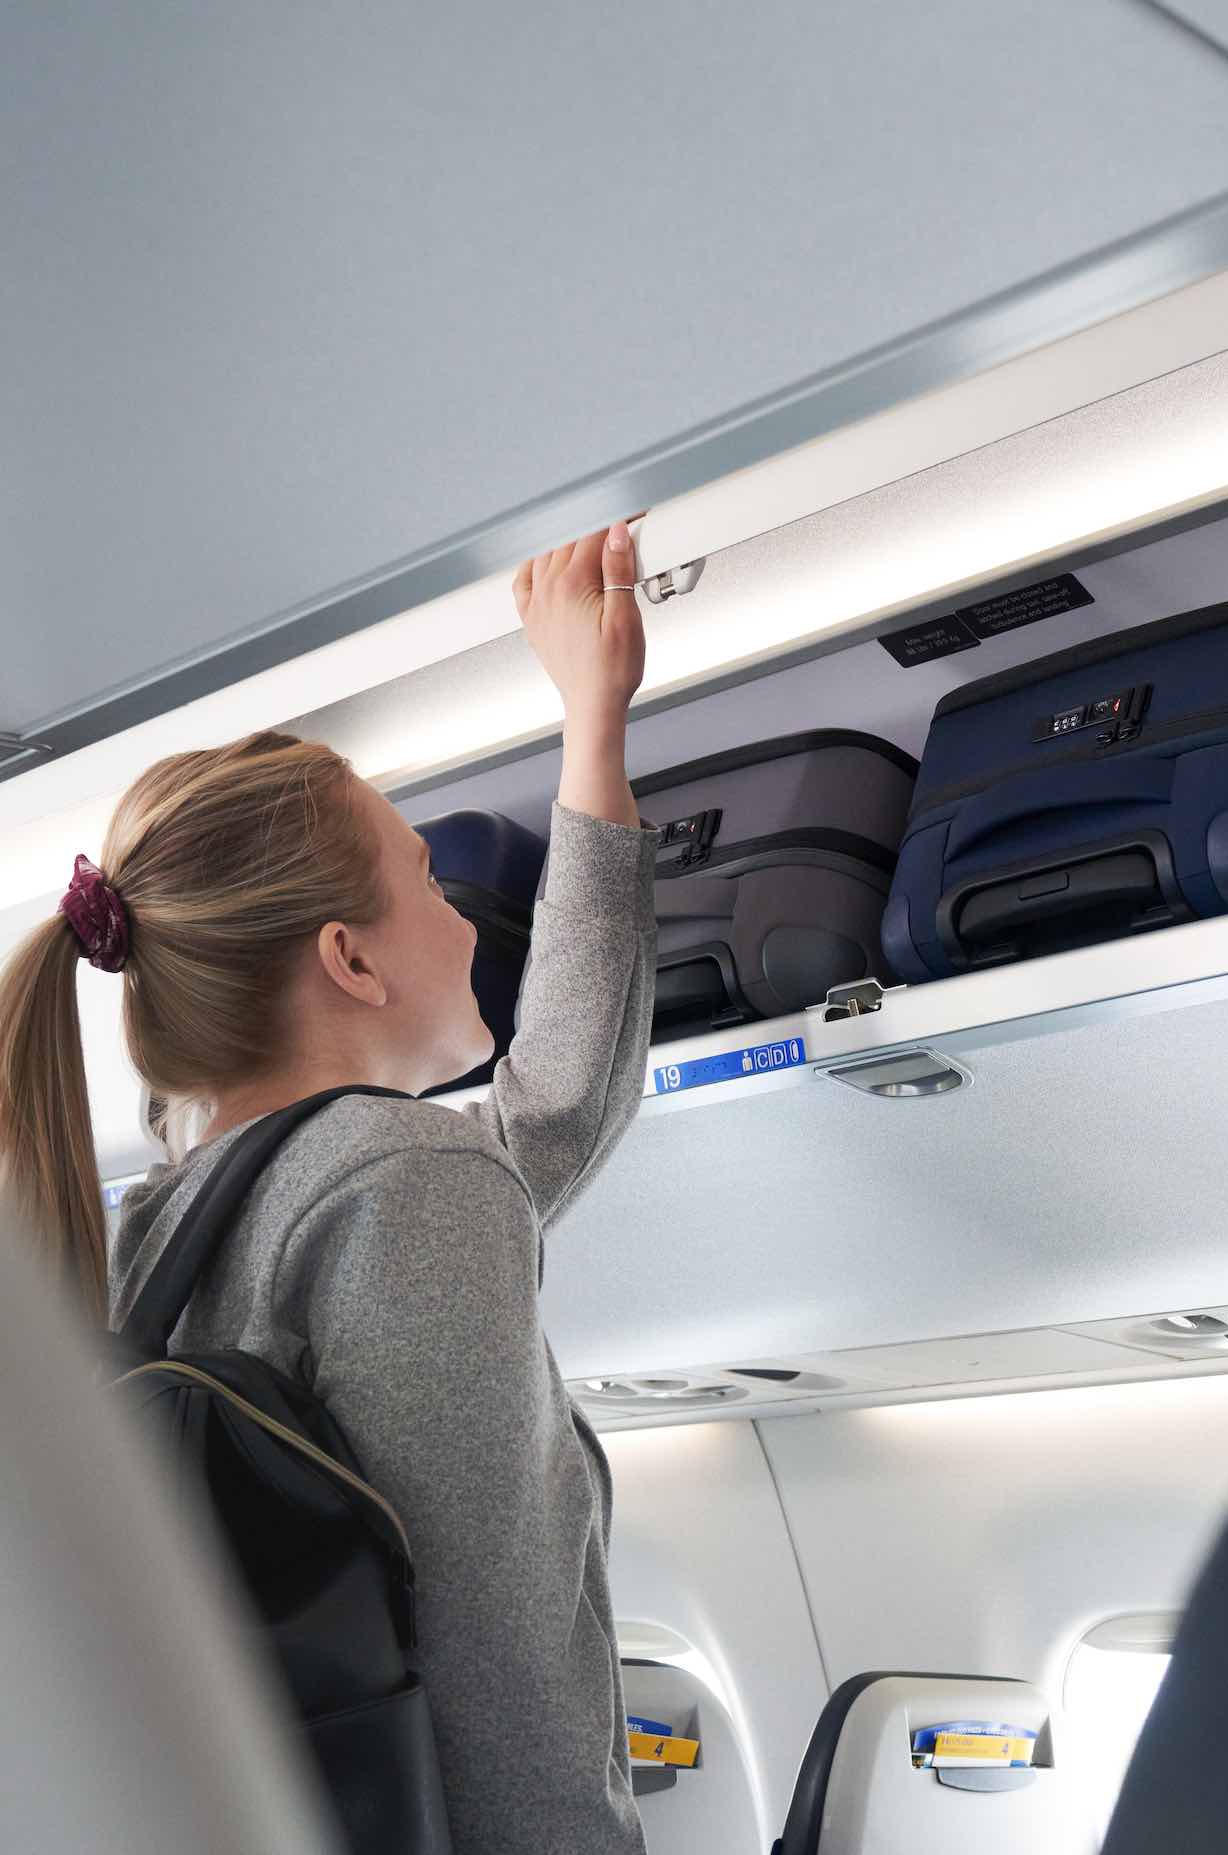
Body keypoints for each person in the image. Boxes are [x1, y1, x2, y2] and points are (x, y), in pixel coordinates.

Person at [0, 521, 658, 1852]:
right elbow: (510, 1678)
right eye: (426, 874)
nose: (467, 918)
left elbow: (551, 1114)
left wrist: (595, 731)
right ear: (349, 962)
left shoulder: (169, 1219)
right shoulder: (399, 1185)